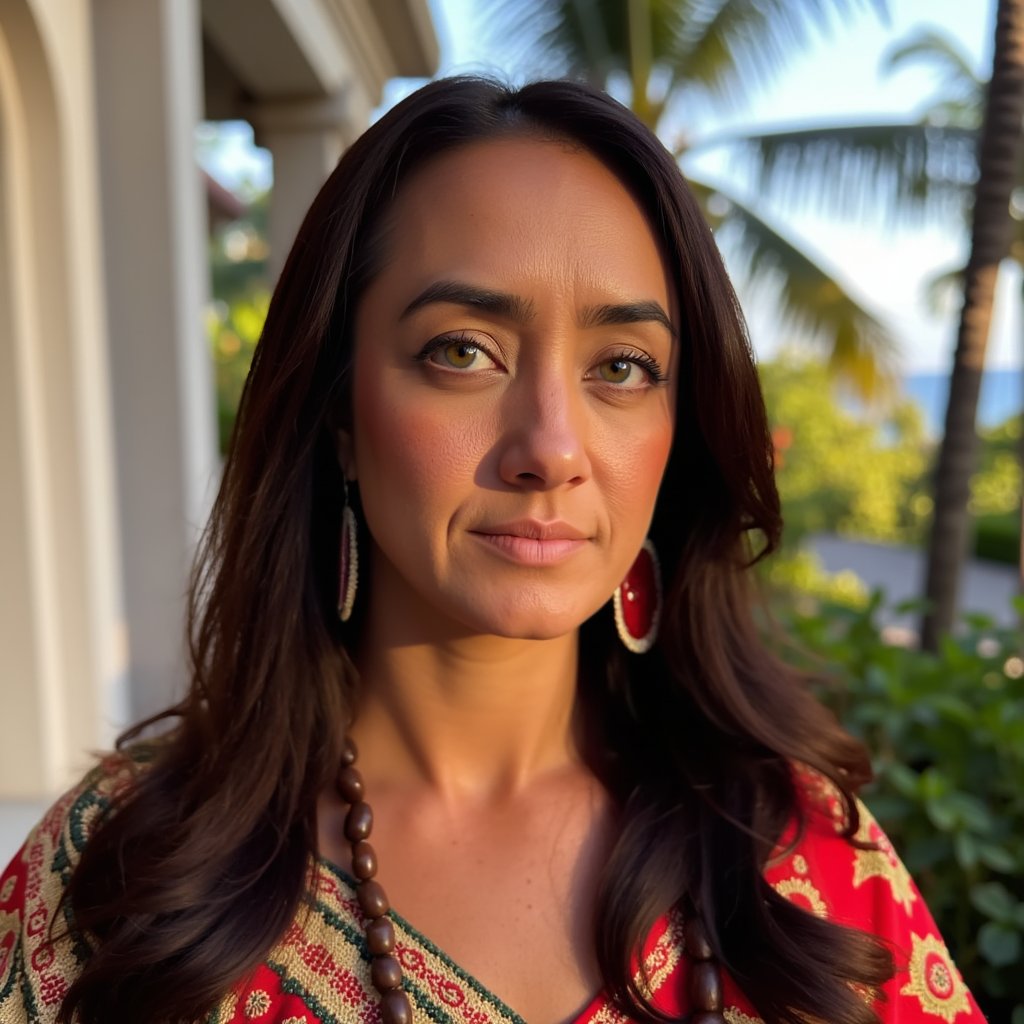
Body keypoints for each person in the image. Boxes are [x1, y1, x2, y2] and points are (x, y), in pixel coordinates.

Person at [0, 77, 984, 1024]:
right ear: (340, 412)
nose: (551, 447)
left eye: (622, 367)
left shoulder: (798, 859)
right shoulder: (119, 877)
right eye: (463, 350)